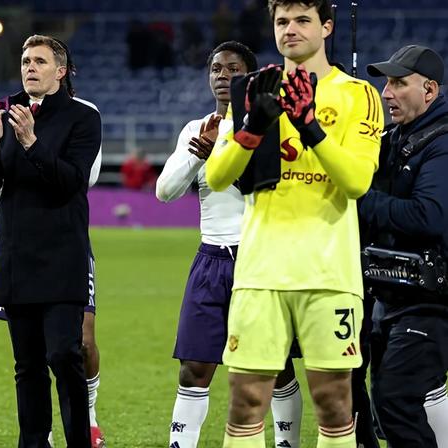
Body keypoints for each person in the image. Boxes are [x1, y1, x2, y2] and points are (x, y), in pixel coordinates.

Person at [205, 0, 384, 446]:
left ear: (326, 27)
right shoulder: (254, 89)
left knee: (335, 403)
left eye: (303, 20)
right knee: (246, 401)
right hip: (260, 272)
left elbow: (357, 181)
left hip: (329, 274)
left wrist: (310, 126)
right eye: (282, 21)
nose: (290, 30)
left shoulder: (358, 94)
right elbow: (217, 175)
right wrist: (251, 128)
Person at [158, 40, 303, 448]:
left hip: (257, 258)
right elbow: (164, 192)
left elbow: (269, 192)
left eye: (234, 70)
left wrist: (229, 152)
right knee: (193, 367)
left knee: (275, 368)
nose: (223, 77)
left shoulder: (270, 126)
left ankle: (286, 443)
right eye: (216, 70)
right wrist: (197, 155)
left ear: (250, 77)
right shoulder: (195, 129)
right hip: (209, 260)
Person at [0, 34, 101, 447]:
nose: (30, 67)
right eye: (26, 60)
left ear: (60, 71)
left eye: (40, 61)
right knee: (26, 364)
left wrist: (31, 142)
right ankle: (33, 442)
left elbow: (71, 183)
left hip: (63, 254)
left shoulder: (83, 117)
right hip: (16, 255)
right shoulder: (8, 113)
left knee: (64, 355)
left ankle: (79, 441)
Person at [360, 44, 448, 448]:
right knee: (384, 409)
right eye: (385, 83)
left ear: (429, 90)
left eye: (398, 83)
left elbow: (429, 216)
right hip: (390, 294)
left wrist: (361, 196)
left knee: (395, 400)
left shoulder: (442, 143)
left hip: (431, 301)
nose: (386, 92)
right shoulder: (394, 137)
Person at [0, 146, 105, 448]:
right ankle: (39, 435)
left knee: (79, 343)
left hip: (68, 243)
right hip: (22, 247)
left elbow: (85, 177)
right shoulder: (11, 113)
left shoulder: (84, 114)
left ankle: (89, 415)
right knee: (30, 354)